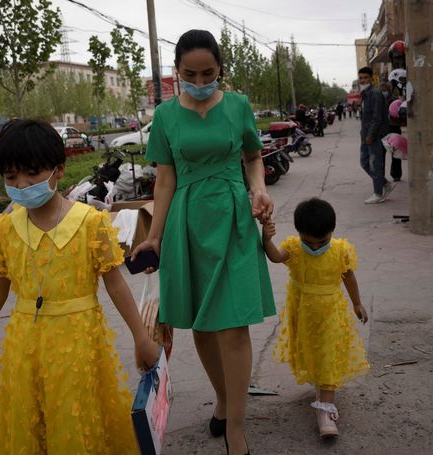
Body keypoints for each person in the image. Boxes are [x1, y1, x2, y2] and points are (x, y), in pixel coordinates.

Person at [0, 119, 160, 454]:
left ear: (59, 171)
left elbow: (116, 285)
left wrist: (141, 337)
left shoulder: (90, 222)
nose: (22, 185)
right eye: (11, 177)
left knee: (76, 426)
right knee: (32, 426)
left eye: (32, 174)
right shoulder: (4, 229)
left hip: (78, 346)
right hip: (25, 350)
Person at [131, 29, 276, 455]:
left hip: (232, 217)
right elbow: (164, 178)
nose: (199, 82)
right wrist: (154, 236)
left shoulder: (238, 105)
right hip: (186, 222)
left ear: (220, 70)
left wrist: (259, 189)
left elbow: (252, 157)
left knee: (232, 325)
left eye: (207, 73)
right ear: (176, 72)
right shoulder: (165, 115)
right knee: (202, 325)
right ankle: (224, 399)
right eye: (189, 74)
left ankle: (236, 429)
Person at [261, 198, 369, 439]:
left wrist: (357, 303)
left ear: (332, 232)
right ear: (300, 233)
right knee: (314, 352)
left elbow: (348, 277)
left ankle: (325, 414)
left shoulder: (340, 249)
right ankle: (321, 388)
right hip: (304, 313)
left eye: (323, 241)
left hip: (332, 313)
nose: (316, 246)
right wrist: (267, 239)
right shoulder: (295, 248)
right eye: (309, 241)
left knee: (328, 355)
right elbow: (277, 257)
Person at [358, 67, 394, 204]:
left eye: (365, 78)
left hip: (374, 135)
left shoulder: (375, 93)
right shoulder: (365, 94)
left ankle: (378, 193)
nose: (363, 80)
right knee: (364, 162)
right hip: (365, 135)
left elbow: (377, 117)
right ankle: (385, 184)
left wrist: (371, 135)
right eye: (361, 78)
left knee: (375, 164)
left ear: (371, 79)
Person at [381, 81, 403, 182]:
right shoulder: (378, 101)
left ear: (389, 90)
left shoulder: (395, 102)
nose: (384, 91)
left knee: (396, 154)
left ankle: (396, 175)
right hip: (382, 132)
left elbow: (401, 115)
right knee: (381, 155)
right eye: (382, 89)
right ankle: (381, 176)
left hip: (394, 130)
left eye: (385, 89)